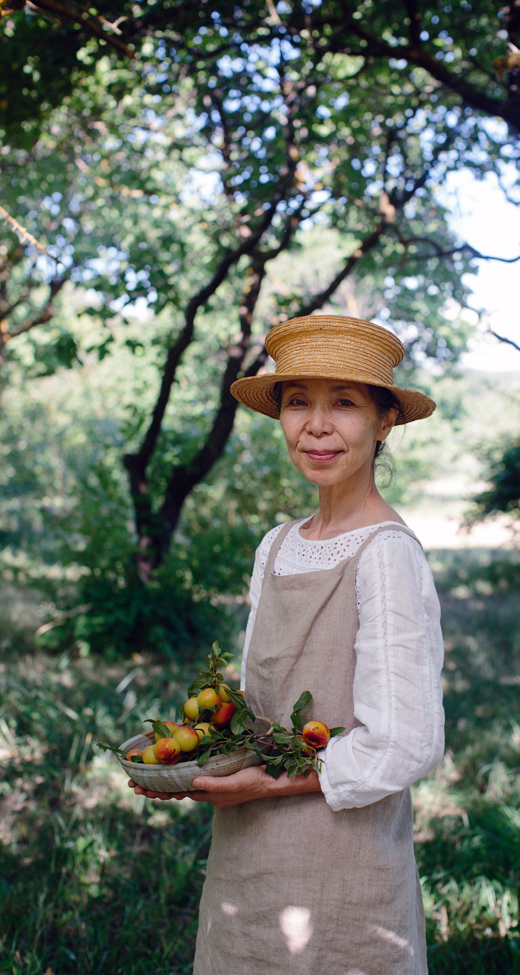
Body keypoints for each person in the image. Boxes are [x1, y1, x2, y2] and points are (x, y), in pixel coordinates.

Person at [131, 314, 445, 975]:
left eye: (345, 403)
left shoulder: (385, 555)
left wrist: (260, 785)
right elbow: (258, 699)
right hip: (248, 861)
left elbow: (404, 742)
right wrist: (200, 748)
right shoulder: (276, 545)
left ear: (384, 420)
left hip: (342, 867)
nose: (317, 425)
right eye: (298, 400)